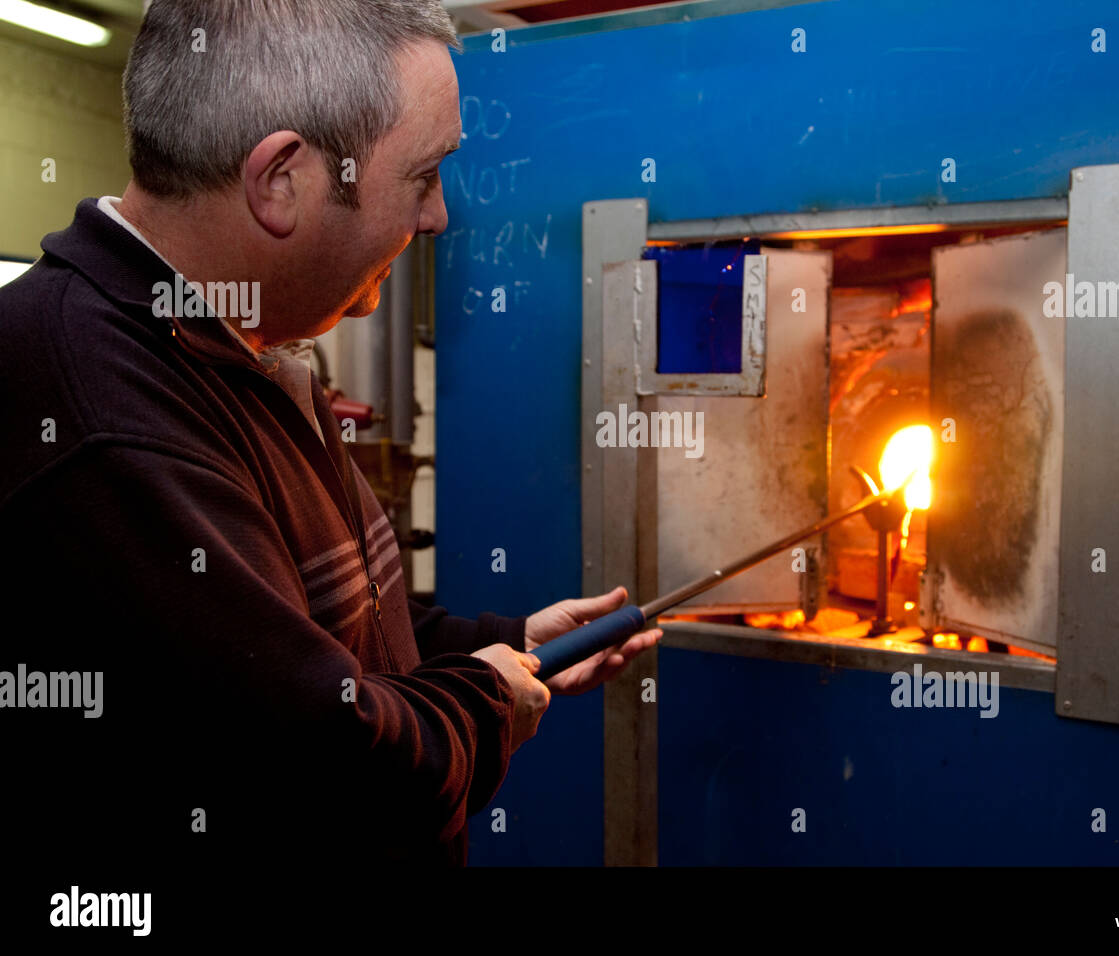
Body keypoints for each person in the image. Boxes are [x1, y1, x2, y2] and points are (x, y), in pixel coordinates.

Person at [0, 0, 659, 873]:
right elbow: (327, 771)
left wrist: (497, 642)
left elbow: (297, 631)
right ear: (282, 180)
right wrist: (486, 700)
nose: (439, 219)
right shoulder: (103, 410)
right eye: (423, 177)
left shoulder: (222, 344)